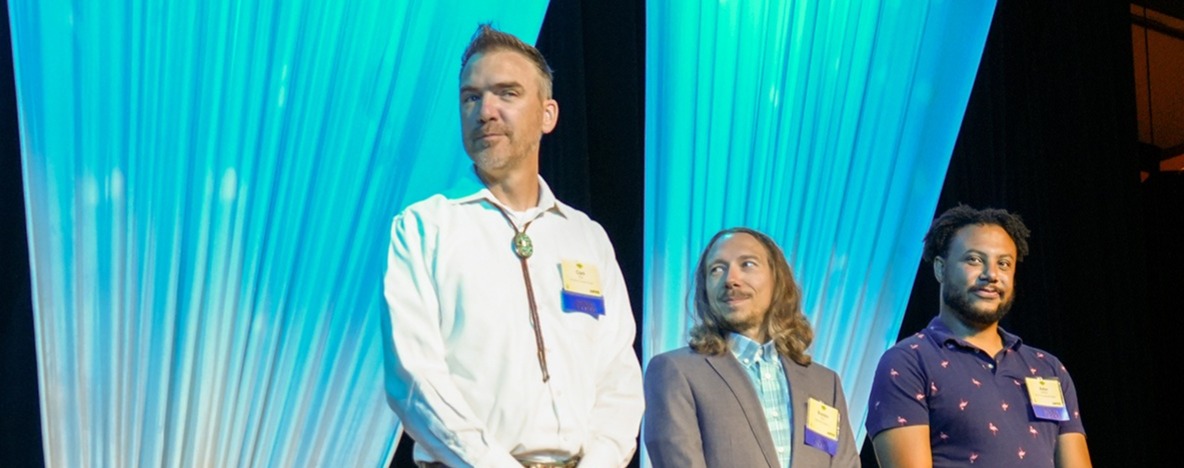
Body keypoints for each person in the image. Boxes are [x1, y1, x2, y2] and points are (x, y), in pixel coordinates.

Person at [381, 24, 644, 468]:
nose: (485, 110)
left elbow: (618, 375)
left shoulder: (586, 236)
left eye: (507, 93)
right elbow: (414, 378)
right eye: (471, 97)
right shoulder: (425, 226)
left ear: (548, 114)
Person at [865, 204, 1092, 467]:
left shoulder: (1047, 368)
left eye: (1004, 263)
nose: (991, 275)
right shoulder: (907, 362)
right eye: (974, 260)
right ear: (940, 269)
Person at [643, 227, 861, 468]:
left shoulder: (825, 383)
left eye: (747, 264)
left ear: (777, 279)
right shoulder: (675, 371)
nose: (730, 280)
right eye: (716, 270)